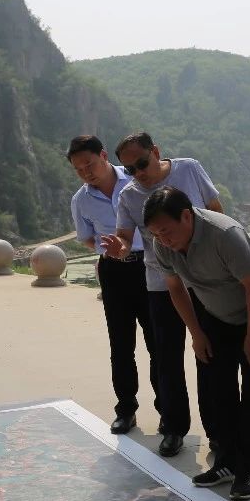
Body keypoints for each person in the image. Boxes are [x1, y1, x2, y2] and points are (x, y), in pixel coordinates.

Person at [144, 187, 250, 501]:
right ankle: (226, 462)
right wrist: (197, 334)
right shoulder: (162, 244)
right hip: (215, 314)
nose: (163, 239)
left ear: (186, 216)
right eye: (156, 234)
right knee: (218, 388)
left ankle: (245, 469)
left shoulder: (224, 234)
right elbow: (175, 289)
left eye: (166, 231)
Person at [102, 132, 222, 456]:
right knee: (166, 358)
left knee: (208, 354)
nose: (138, 173)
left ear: (155, 152)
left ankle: (218, 431)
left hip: (203, 281)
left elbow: (216, 210)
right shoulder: (129, 195)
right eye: (130, 169)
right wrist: (119, 248)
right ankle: (173, 427)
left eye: (142, 163)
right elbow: (125, 236)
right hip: (160, 284)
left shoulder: (189, 169)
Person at [68, 135, 163, 447]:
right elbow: (87, 238)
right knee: (121, 344)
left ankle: (166, 410)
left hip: (149, 266)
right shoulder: (81, 200)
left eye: (90, 164)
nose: (86, 172)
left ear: (104, 156)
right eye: (79, 169)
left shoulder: (136, 179)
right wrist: (109, 250)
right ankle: (126, 409)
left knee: (157, 342)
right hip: (113, 272)